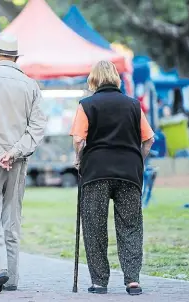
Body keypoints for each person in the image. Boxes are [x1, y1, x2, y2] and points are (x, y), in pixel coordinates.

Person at [0, 33, 47, 294]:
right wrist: (13, 152)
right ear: (14, 58)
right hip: (17, 160)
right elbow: (37, 127)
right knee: (12, 216)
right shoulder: (30, 84)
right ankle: (11, 276)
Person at [70, 60, 155, 296]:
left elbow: (78, 139)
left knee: (94, 227)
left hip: (96, 172)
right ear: (116, 78)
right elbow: (149, 139)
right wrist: (138, 159)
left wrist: (79, 159)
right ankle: (132, 280)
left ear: (94, 80)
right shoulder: (133, 105)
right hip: (129, 172)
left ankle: (99, 282)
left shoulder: (86, 104)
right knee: (130, 226)